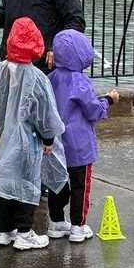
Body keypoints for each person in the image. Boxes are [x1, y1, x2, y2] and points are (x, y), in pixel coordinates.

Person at [0, 17, 68, 250]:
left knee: (5, 182)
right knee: (26, 183)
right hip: (27, 140)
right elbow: (45, 114)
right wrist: (49, 138)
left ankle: (4, 230)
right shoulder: (36, 77)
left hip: (1, 138)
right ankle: (24, 232)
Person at [46, 29, 118, 242]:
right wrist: (109, 101)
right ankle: (78, 225)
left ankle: (57, 221)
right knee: (80, 185)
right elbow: (93, 109)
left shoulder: (50, 78)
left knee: (57, 182)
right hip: (79, 145)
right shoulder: (81, 81)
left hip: (57, 142)